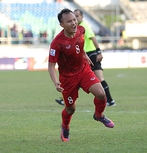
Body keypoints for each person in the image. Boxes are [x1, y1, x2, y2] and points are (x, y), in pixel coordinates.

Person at [48, 8, 114, 142]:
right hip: (67, 78)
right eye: (69, 21)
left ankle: (99, 115)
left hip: (83, 70)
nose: (73, 23)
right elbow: (51, 65)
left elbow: (80, 44)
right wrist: (56, 82)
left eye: (74, 20)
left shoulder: (81, 30)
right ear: (62, 25)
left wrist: (84, 55)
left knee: (101, 93)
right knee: (71, 109)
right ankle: (65, 126)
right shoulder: (57, 43)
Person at [55, 9, 115, 107]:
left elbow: (93, 38)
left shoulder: (84, 27)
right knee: (79, 77)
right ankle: (65, 99)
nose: (75, 18)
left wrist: (99, 51)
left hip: (91, 54)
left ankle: (110, 100)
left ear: (82, 17)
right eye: (74, 16)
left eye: (77, 16)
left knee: (99, 78)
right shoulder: (76, 29)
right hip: (83, 56)